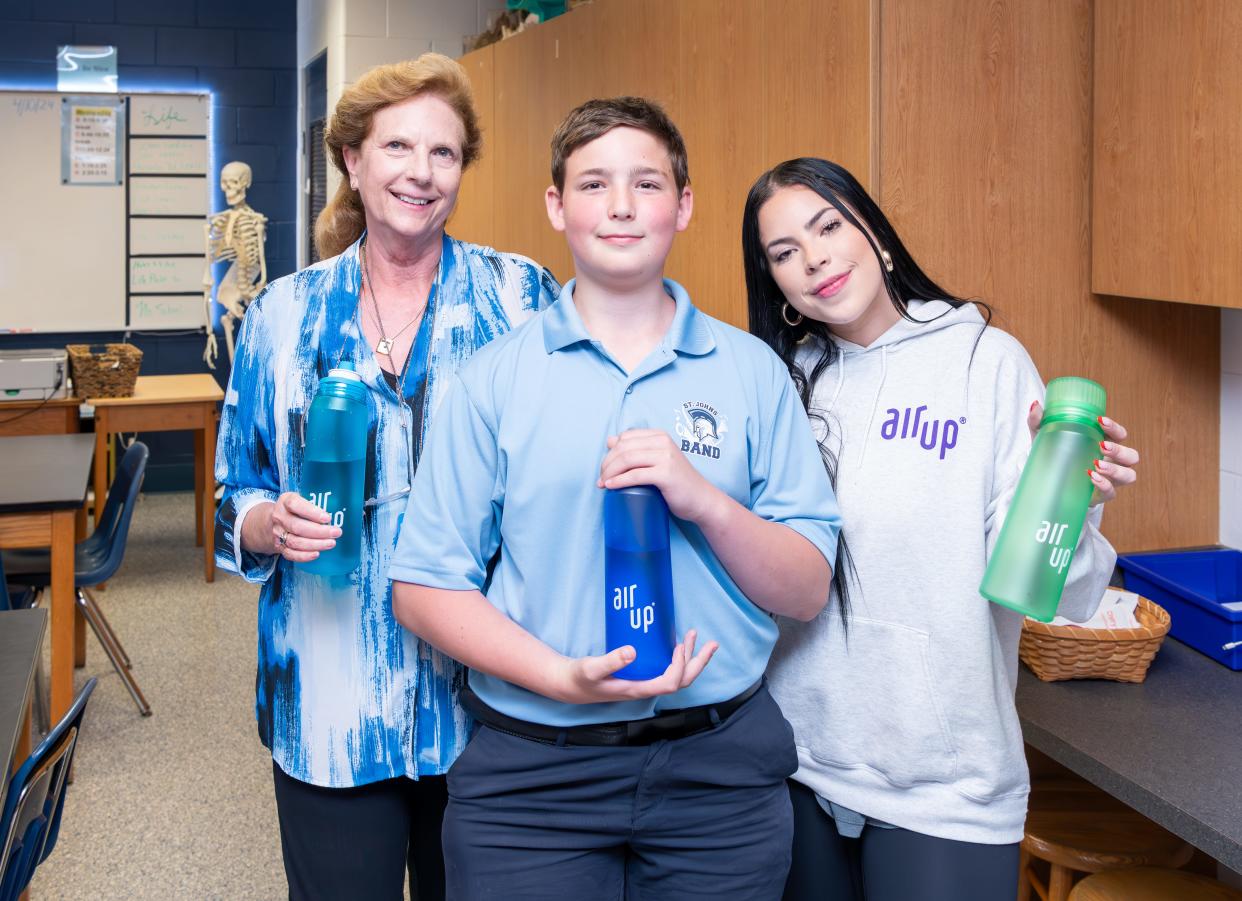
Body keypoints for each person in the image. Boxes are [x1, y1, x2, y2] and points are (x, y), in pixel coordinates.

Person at [388, 98, 842, 900]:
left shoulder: (751, 373)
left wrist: (703, 500)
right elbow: (423, 586)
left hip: (719, 773)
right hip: (533, 777)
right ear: (558, 208)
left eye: (647, 183)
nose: (623, 205)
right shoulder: (496, 377)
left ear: (685, 205)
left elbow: (806, 588)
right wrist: (563, 678)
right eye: (595, 184)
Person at [742, 158, 1141, 901]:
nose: (815, 258)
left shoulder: (984, 363)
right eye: (784, 252)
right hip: (796, 763)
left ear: (876, 232)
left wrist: (1078, 503)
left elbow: (1048, 588)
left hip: (945, 787)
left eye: (828, 225)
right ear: (776, 285)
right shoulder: (778, 382)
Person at [213, 54, 557, 901]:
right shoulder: (283, 314)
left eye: (443, 153)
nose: (420, 172)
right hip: (331, 707)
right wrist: (268, 524)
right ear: (353, 162)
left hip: (490, 711)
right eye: (397, 146)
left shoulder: (522, 300)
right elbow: (235, 491)